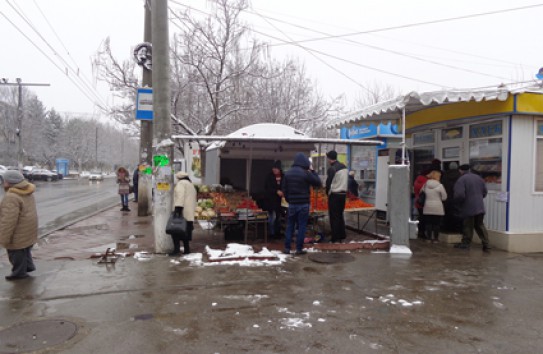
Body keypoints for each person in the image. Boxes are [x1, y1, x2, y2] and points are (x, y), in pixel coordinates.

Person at [0, 170, 38, 280]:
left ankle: (19, 273)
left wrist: (4, 238)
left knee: (15, 252)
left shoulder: (11, 197)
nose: (3, 182)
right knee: (24, 249)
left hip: (18, 230)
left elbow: (8, 220)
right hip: (28, 228)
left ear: (9, 182)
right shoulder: (27, 191)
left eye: (4, 180)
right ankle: (28, 267)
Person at [282, 152, 322, 255]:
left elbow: (284, 190)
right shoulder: (306, 173)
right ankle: (299, 249)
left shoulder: (287, 173)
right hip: (304, 204)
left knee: (290, 225)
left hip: (292, 204)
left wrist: (289, 200)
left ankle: (287, 248)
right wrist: (313, 171)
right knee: (302, 226)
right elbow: (318, 183)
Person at [453, 164, 491, 251]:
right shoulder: (479, 178)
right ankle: (486, 244)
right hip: (480, 206)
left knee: (468, 226)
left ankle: (466, 243)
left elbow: (459, 195)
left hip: (468, 207)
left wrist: (457, 204)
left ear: (460, 170)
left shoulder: (461, 180)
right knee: (480, 225)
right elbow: (484, 192)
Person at [170, 171, 197, 256]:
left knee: (175, 231)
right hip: (189, 213)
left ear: (179, 178)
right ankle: (187, 249)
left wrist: (177, 210)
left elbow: (180, 196)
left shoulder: (181, 184)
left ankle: (176, 250)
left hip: (182, 212)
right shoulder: (190, 184)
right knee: (186, 232)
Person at [325, 150, 348, 243]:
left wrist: (327, 193)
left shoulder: (332, 169)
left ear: (330, 159)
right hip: (343, 195)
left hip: (335, 194)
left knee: (334, 217)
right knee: (340, 215)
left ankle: (335, 237)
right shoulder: (344, 167)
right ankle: (342, 235)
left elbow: (329, 183)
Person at [422, 170, 447, 243]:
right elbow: (444, 197)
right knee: (436, 224)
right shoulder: (440, 185)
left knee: (428, 223)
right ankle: (436, 239)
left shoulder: (425, 184)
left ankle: (428, 238)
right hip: (437, 207)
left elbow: (422, 193)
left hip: (427, 206)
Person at [264, 160, 284, 239]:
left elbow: (285, 185)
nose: (274, 170)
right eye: (273, 168)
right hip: (270, 201)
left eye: (276, 168)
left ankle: (277, 233)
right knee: (272, 218)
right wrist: (276, 191)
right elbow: (267, 188)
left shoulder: (283, 176)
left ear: (279, 169)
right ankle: (272, 233)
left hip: (280, 202)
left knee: (278, 218)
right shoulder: (269, 177)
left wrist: (283, 191)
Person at [442, 162, 462, 232]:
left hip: (447, 198)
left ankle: (447, 229)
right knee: (457, 215)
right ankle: (457, 230)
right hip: (456, 198)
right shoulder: (460, 176)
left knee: (447, 214)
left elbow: (443, 186)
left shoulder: (445, 175)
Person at [414, 168, 430, 239]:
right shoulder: (426, 182)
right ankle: (423, 233)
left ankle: (420, 231)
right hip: (425, 202)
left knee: (421, 217)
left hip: (418, 201)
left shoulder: (417, 180)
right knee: (424, 218)